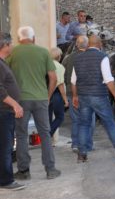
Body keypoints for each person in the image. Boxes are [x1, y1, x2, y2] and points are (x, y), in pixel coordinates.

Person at [7, 26, 61, 180]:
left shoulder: (13, 53)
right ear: (34, 38)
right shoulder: (43, 52)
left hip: (20, 100)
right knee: (45, 133)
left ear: (18, 39)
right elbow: (53, 78)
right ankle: (50, 169)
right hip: (41, 99)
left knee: (22, 135)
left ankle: (24, 171)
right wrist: (48, 95)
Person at [71, 35, 115, 162]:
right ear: (99, 44)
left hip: (83, 96)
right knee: (110, 124)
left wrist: (74, 96)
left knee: (84, 125)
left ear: (89, 44)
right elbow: (108, 80)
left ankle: (82, 155)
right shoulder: (102, 57)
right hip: (99, 96)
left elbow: (73, 81)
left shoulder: (77, 58)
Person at [0, 32, 25, 190]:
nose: (13, 46)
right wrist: (15, 105)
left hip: (4, 111)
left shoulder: (3, 63)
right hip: (3, 112)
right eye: (11, 44)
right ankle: (6, 180)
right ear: (5, 46)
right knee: (6, 146)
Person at [62, 36, 95, 153]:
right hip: (88, 93)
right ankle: (88, 144)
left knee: (76, 120)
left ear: (76, 45)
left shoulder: (68, 58)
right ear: (87, 45)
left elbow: (64, 74)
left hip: (72, 92)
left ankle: (75, 144)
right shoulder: (91, 57)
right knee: (89, 119)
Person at [48, 47, 68, 140]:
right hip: (56, 94)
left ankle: (46, 136)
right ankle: (48, 134)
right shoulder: (60, 67)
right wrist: (65, 100)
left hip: (44, 94)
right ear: (59, 56)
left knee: (47, 119)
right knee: (60, 117)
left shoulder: (45, 65)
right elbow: (60, 84)